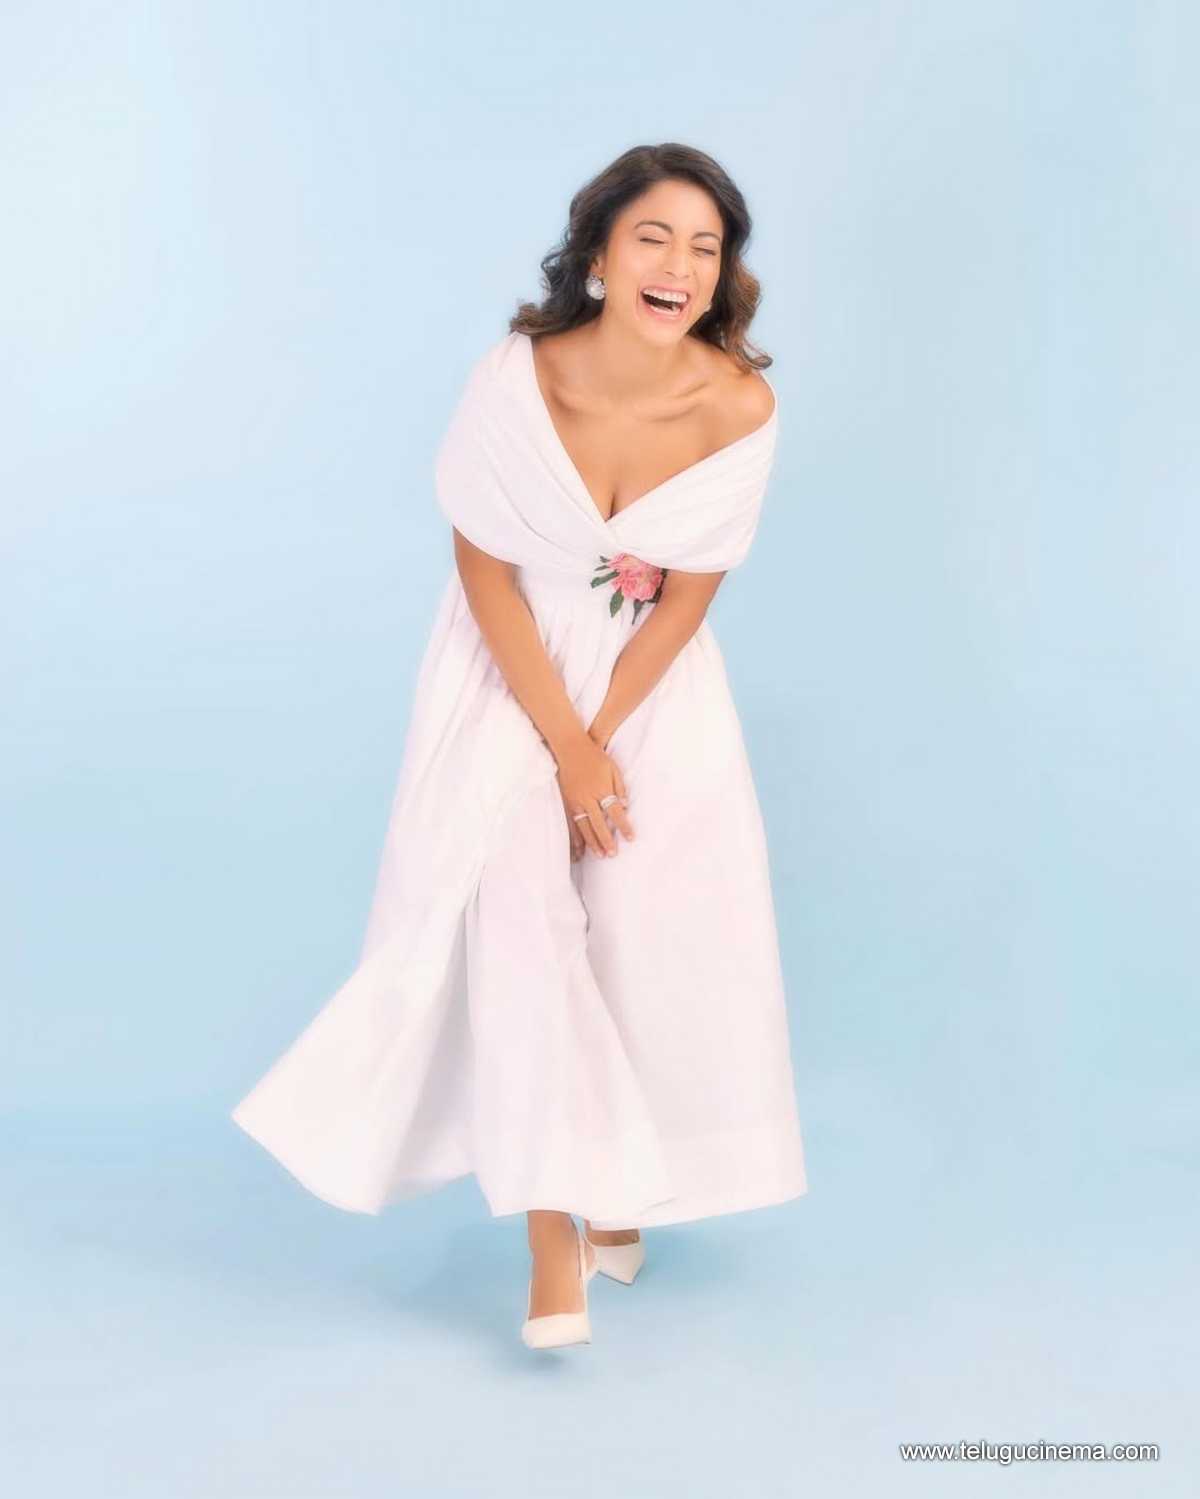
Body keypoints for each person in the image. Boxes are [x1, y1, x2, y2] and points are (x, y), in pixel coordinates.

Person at [232, 142, 808, 1351]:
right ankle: (552, 1232)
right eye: (654, 236)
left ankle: (619, 1190)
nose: (680, 265)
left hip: (648, 694)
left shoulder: (740, 406)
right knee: (520, 922)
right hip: (508, 675)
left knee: (644, 936)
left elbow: (685, 603)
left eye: (706, 247)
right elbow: (484, 568)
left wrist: (603, 743)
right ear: (597, 252)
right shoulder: (515, 378)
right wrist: (561, 747)